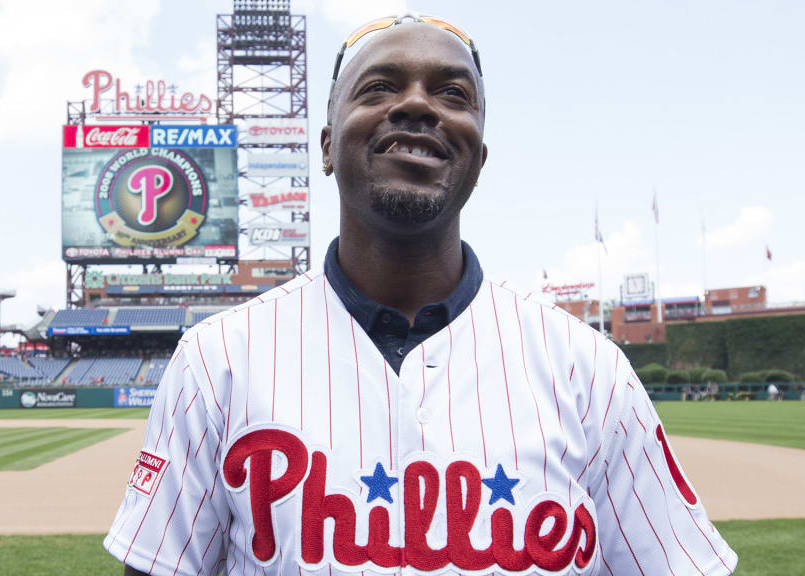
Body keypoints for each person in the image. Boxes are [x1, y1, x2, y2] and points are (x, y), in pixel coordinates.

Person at [104, 14, 737, 575]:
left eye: (452, 93)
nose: (416, 104)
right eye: (379, 87)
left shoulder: (588, 368)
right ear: (327, 146)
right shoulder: (217, 359)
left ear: (478, 158)